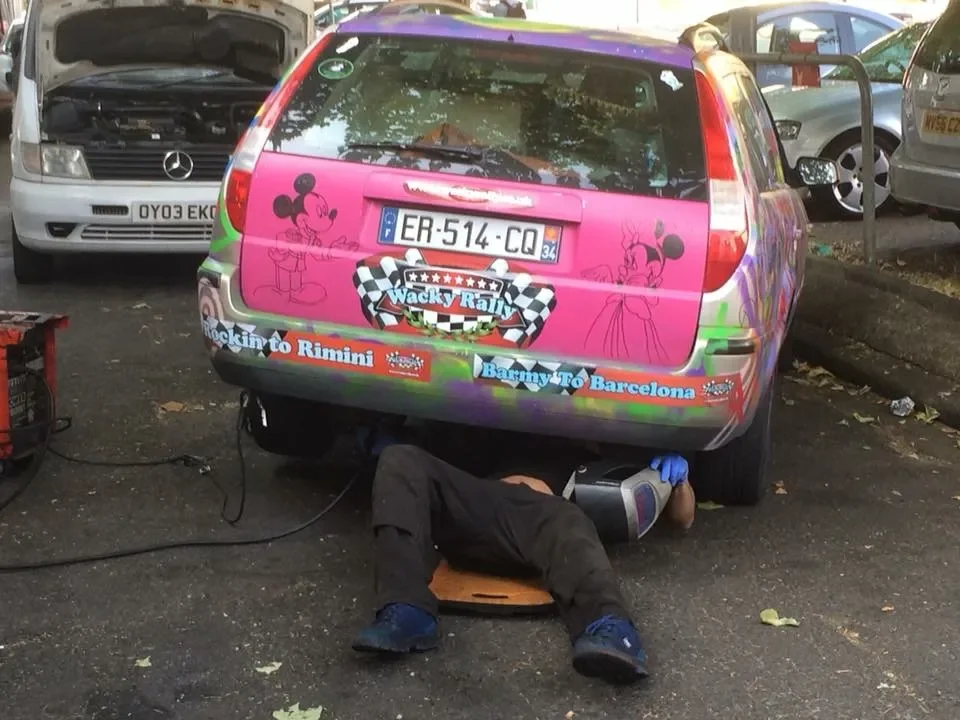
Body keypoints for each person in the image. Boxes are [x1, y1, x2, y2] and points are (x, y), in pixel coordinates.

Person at [351, 433, 696, 685]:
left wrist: (679, 481)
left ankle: (612, 631)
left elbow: (683, 519)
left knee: (571, 519)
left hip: (541, 523)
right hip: (476, 512)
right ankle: (407, 612)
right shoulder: (496, 421)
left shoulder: (602, 442)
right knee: (399, 457)